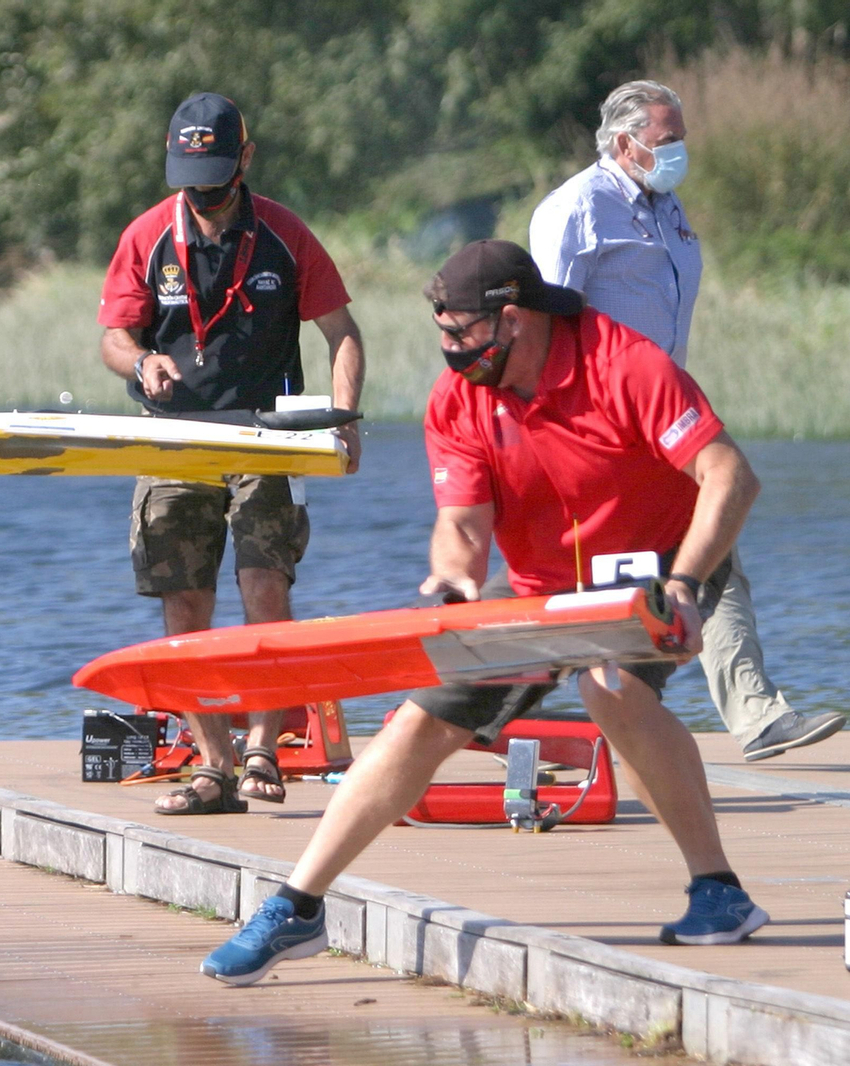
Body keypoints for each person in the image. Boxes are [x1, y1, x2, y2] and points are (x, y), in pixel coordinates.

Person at [200, 239, 768, 985]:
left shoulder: (625, 365)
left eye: (461, 332)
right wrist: (454, 582)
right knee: (422, 719)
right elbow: (463, 525)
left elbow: (730, 475)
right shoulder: (458, 398)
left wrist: (688, 583)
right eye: (441, 332)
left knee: (610, 685)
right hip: (538, 583)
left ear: (516, 318)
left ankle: (718, 891)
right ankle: (297, 906)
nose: (449, 349)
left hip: (658, 565)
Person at [529, 79, 845, 763]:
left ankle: (754, 714)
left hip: (665, 404)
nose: (680, 152)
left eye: (680, 139)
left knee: (712, 543)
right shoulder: (576, 209)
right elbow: (548, 326)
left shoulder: (665, 206)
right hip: (603, 413)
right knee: (601, 577)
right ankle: (515, 716)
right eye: (667, 141)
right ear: (625, 143)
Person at [98, 92, 365, 814]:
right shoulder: (148, 235)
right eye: (193, 181)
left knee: (263, 589)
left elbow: (343, 332)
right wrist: (141, 362)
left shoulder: (284, 234)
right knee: (183, 602)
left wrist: (344, 418)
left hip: (267, 437)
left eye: (217, 180)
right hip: (175, 441)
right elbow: (114, 336)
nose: (205, 196)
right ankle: (213, 768)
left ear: (245, 160)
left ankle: (262, 752)